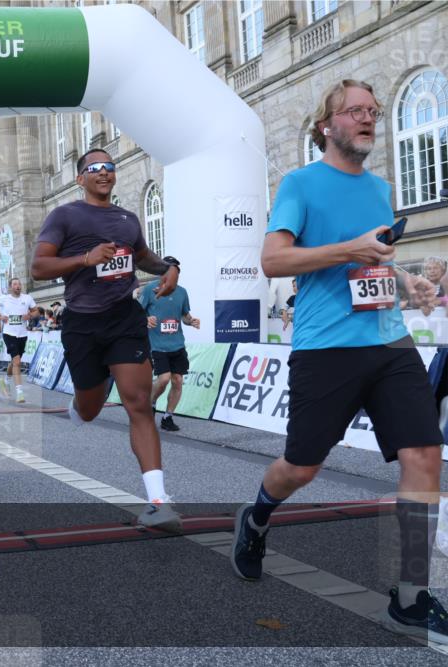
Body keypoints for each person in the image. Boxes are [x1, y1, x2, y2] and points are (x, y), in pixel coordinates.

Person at [230, 80, 447, 643]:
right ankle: (255, 517)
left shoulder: (380, 188)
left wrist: (407, 283)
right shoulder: (301, 184)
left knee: (425, 454)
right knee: (301, 469)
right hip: (326, 347)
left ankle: (411, 598)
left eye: (373, 111)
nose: (368, 119)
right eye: (355, 111)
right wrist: (352, 247)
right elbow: (275, 260)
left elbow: (368, 265)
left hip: (389, 342)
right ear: (327, 125)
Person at [31, 148, 182, 530]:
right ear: (81, 178)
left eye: (109, 167)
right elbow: (38, 268)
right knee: (91, 407)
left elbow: (142, 256)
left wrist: (169, 267)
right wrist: (85, 259)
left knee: (139, 404)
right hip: (81, 323)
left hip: (123, 319)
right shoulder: (65, 216)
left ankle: (159, 500)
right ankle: (81, 406)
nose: (103, 173)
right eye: (94, 168)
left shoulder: (127, 218)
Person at [138, 277, 200, 432]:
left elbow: (185, 316)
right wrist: (145, 319)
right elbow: (136, 313)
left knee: (177, 381)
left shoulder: (182, 292)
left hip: (177, 344)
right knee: (164, 379)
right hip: (157, 345)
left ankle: (167, 417)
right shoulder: (150, 289)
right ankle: (150, 405)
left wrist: (191, 321)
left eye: (176, 272)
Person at [0, 278, 36, 403]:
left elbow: (36, 312)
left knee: (15, 361)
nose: (18, 286)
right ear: (10, 287)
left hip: (22, 334)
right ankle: (19, 392)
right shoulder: (3, 298)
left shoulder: (27, 298)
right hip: (9, 333)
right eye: (15, 284)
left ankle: (5, 381)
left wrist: (29, 315)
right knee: (17, 361)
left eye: (19, 284)